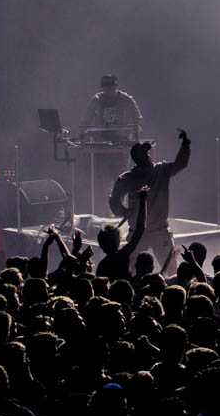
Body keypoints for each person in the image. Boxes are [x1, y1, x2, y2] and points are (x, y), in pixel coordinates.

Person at [108, 131, 192, 273]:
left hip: (160, 230)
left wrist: (185, 145)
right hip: (138, 232)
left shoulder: (161, 170)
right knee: (132, 271)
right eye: (144, 153)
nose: (148, 155)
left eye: (147, 152)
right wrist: (124, 211)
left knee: (171, 270)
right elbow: (114, 201)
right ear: (137, 158)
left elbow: (181, 163)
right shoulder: (128, 178)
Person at [79, 75, 144, 215]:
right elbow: (85, 121)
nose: (108, 92)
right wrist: (84, 133)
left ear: (116, 87)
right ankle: (108, 213)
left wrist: (133, 132)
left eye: (111, 89)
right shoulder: (97, 100)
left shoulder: (126, 99)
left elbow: (137, 118)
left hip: (121, 147)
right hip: (103, 148)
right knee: (105, 183)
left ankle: (122, 212)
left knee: (121, 180)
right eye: (106, 89)